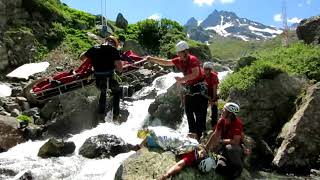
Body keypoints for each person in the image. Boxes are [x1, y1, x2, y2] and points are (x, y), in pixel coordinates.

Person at [147, 41, 208, 140]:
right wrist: (152, 59)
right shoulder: (179, 60)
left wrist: (181, 80)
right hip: (190, 87)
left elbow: (195, 74)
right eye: (178, 52)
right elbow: (166, 62)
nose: (178, 54)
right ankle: (192, 133)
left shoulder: (193, 59)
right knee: (188, 110)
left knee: (199, 113)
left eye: (180, 52)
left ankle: (199, 135)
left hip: (199, 87)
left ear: (185, 51)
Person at [80, 35, 123, 119]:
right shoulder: (113, 50)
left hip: (98, 79)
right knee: (116, 92)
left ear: (104, 41)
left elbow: (81, 58)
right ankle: (116, 115)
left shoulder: (94, 48)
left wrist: (90, 51)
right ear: (114, 43)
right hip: (110, 78)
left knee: (103, 92)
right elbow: (120, 68)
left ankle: (101, 116)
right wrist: (118, 72)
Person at [205, 102, 245, 178]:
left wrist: (221, 141)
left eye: (224, 110)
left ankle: (239, 167)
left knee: (229, 148)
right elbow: (215, 135)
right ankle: (230, 168)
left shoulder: (237, 124)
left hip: (235, 149)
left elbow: (235, 142)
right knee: (219, 168)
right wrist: (206, 148)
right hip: (225, 149)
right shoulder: (221, 121)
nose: (222, 111)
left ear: (230, 114)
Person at [203, 62, 219, 128]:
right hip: (204, 93)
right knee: (202, 109)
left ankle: (214, 124)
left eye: (208, 69)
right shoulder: (201, 76)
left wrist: (213, 99)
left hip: (212, 92)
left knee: (214, 107)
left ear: (210, 69)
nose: (207, 71)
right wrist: (208, 98)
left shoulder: (214, 76)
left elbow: (215, 88)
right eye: (205, 69)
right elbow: (202, 89)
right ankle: (202, 127)